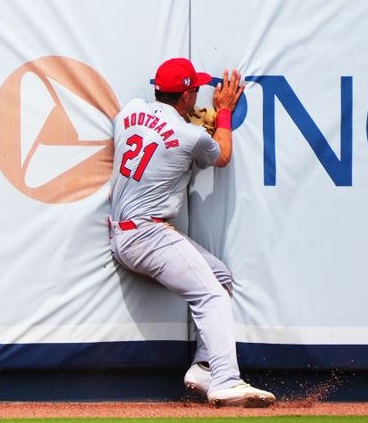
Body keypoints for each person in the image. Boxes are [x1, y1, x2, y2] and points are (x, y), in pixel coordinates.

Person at [107, 57, 275, 408]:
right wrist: (224, 113)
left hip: (124, 232)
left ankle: (204, 367)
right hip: (147, 234)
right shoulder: (190, 134)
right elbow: (223, 155)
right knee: (211, 296)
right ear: (185, 96)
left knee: (220, 277)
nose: (198, 95)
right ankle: (227, 382)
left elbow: (154, 135)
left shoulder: (129, 112)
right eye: (194, 89)